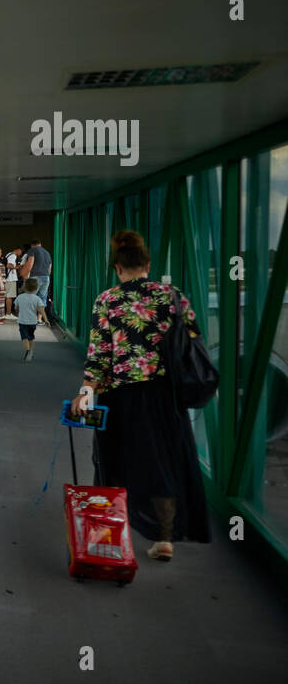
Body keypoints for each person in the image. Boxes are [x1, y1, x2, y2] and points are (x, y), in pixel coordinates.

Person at [69, 230, 210, 560]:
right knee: (163, 464)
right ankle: (164, 540)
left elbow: (100, 353)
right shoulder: (173, 296)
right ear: (147, 264)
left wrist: (87, 390)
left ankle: (107, 539)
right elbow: (192, 340)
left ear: (117, 268)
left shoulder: (108, 300)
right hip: (164, 396)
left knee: (110, 463)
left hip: (121, 396)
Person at [14, 277, 45, 361]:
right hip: (33, 322)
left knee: (24, 337)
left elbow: (16, 308)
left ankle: (27, 351)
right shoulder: (37, 298)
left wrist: (17, 312)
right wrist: (46, 319)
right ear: (36, 288)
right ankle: (31, 351)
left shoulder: (20, 297)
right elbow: (41, 310)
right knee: (31, 336)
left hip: (22, 321)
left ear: (24, 287)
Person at [26, 238, 52, 316]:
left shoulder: (32, 250)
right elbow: (50, 267)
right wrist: (47, 275)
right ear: (40, 244)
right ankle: (39, 319)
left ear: (32, 245)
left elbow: (30, 264)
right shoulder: (47, 252)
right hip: (46, 277)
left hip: (35, 277)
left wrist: (27, 276)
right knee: (42, 298)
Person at [5, 246, 20, 316]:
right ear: (18, 250)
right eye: (21, 252)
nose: (20, 254)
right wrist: (17, 267)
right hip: (10, 278)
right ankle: (8, 313)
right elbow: (8, 265)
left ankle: (8, 312)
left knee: (8, 296)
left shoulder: (9, 254)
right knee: (9, 296)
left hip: (8, 278)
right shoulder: (13, 255)